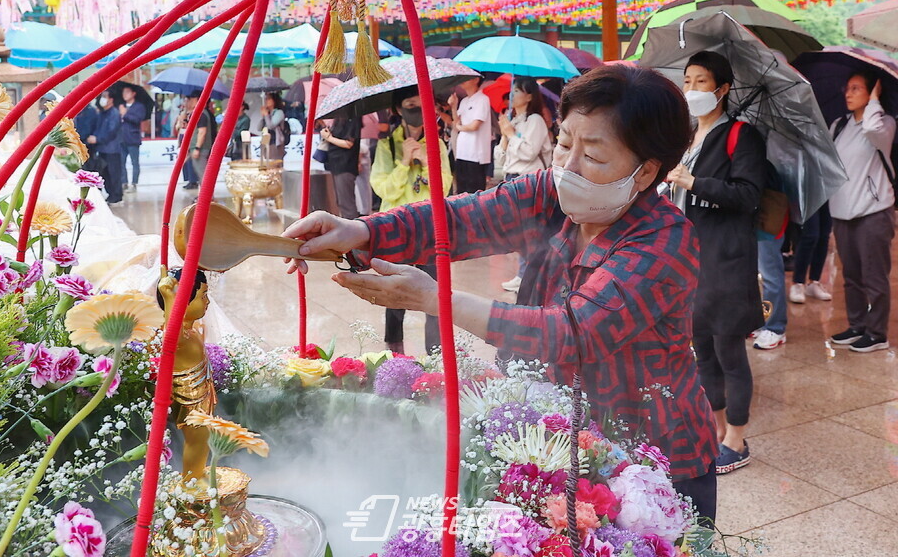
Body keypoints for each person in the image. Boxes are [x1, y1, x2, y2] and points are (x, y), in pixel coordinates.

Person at [284, 65, 719, 523]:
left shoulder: (665, 241)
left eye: (592, 156)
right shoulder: (550, 195)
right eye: (565, 144)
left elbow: (573, 332)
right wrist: (359, 230)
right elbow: (461, 219)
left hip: (657, 453)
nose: (568, 168)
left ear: (646, 171)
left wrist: (437, 300)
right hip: (568, 440)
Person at [666, 51, 767, 475]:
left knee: (729, 351)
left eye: (701, 81)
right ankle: (718, 429)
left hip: (725, 261)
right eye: (687, 80)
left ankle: (738, 441)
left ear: (722, 89)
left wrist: (693, 181)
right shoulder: (687, 137)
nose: (692, 89)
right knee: (701, 349)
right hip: (690, 262)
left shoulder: (741, 136)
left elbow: (748, 195)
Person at [368, 86, 452, 354]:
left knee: (435, 296)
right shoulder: (385, 146)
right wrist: (404, 162)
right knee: (394, 296)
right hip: (395, 231)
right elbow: (384, 190)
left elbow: (445, 188)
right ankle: (395, 354)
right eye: (410, 105)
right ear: (397, 110)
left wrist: (426, 163)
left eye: (421, 104)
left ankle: (436, 356)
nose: (416, 111)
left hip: (429, 231)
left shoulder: (436, 144)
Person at [828, 72, 896, 353]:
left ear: (873, 92)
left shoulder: (884, 123)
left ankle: (877, 333)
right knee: (852, 276)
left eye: (856, 88)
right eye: (847, 87)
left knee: (875, 276)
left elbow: (872, 131)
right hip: (842, 211)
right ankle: (857, 325)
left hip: (873, 211)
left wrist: (875, 102)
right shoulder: (838, 125)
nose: (848, 92)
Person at [493, 77, 553, 294]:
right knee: (519, 231)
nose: (513, 95)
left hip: (529, 180)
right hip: (511, 179)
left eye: (517, 90)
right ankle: (524, 273)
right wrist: (505, 135)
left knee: (530, 231)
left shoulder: (535, 120)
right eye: (512, 90)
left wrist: (510, 134)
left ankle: (528, 275)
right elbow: (501, 158)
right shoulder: (514, 121)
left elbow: (529, 152)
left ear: (529, 96)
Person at [157, 266, 215, 482]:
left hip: (202, 394)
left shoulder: (190, 330)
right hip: (190, 399)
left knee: (204, 437)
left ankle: (197, 473)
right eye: (203, 295)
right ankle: (191, 481)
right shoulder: (177, 335)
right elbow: (171, 332)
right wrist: (169, 297)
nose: (207, 301)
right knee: (197, 439)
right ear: (184, 301)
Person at [448, 76, 492, 193]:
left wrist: (460, 127)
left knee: (474, 190)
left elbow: (475, 125)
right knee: (462, 189)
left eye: (467, 78)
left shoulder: (482, 99)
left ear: (476, 80)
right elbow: (456, 121)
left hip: (476, 153)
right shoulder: (464, 101)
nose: (463, 80)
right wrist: (453, 106)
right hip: (462, 151)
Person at [788, 203, 833, 304]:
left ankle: (814, 281)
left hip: (825, 191)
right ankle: (797, 282)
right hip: (806, 192)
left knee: (824, 235)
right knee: (810, 235)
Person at [321, 116, 362, 220]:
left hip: (345, 164)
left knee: (346, 202)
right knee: (341, 201)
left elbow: (348, 143)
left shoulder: (353, 118)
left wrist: (329, 138)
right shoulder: (339, 119)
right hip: (335, 164)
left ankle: (353, 231)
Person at [91, 91, 124, 205]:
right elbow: (98, 128)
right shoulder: (102, 113)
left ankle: (117, 196)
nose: (103, 99)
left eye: (105, 97)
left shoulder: (114, 113)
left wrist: (98, 139)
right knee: (105, 174)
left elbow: (111, 131)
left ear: (111, 99)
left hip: (112, 149)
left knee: (114, 173)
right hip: (102, 149)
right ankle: (110, 194)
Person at [119, 86, 146, 192]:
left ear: (133, 93)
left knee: (135, 162)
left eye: (127, 92)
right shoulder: (121, 106)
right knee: (121, 162)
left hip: (133, 138)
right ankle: (124, 182)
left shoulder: (139, 106)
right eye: (123, 92)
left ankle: (134, 183)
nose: (125, 94)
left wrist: (125, 114)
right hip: (121, 138)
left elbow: (137, 119)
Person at [185, 93, 217, 182]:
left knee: (202, 172)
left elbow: (202, 132)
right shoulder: (197, 113)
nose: (190, 101)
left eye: (192, 99)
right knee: (200, 172)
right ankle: (203, 193)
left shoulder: (201, 114)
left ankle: (207, 194)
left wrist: (197, 148)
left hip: (201, 148)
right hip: (197, 147)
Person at [259, 93, 288, 160]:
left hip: (275, 142)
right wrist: (263, 117)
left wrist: (266, 115)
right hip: (267, 142)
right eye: (266, 99)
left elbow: (271, 126)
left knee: (275, 164)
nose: (266, 101)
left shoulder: (279, 113)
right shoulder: (268, 113)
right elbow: (259, 127)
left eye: (269, 99)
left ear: (274, 101)